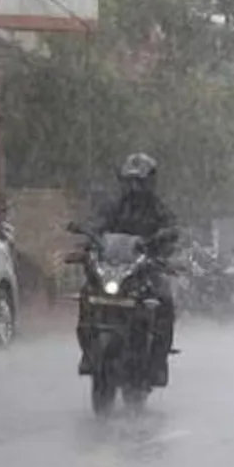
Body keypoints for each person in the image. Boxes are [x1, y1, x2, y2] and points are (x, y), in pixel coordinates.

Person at [78, 152, 178, 386]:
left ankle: (158, 363)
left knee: (164, 300)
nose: (134, 187)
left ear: (150, 182)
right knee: (87, 294)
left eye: (139, 181)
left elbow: (172, 226)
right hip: (116, 266)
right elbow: (99, 223)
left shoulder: (157, 208)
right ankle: (88, 351)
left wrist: (164, 238)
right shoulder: (116, 206)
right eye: (130, 181)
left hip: (146, 266)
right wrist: (90, 238)